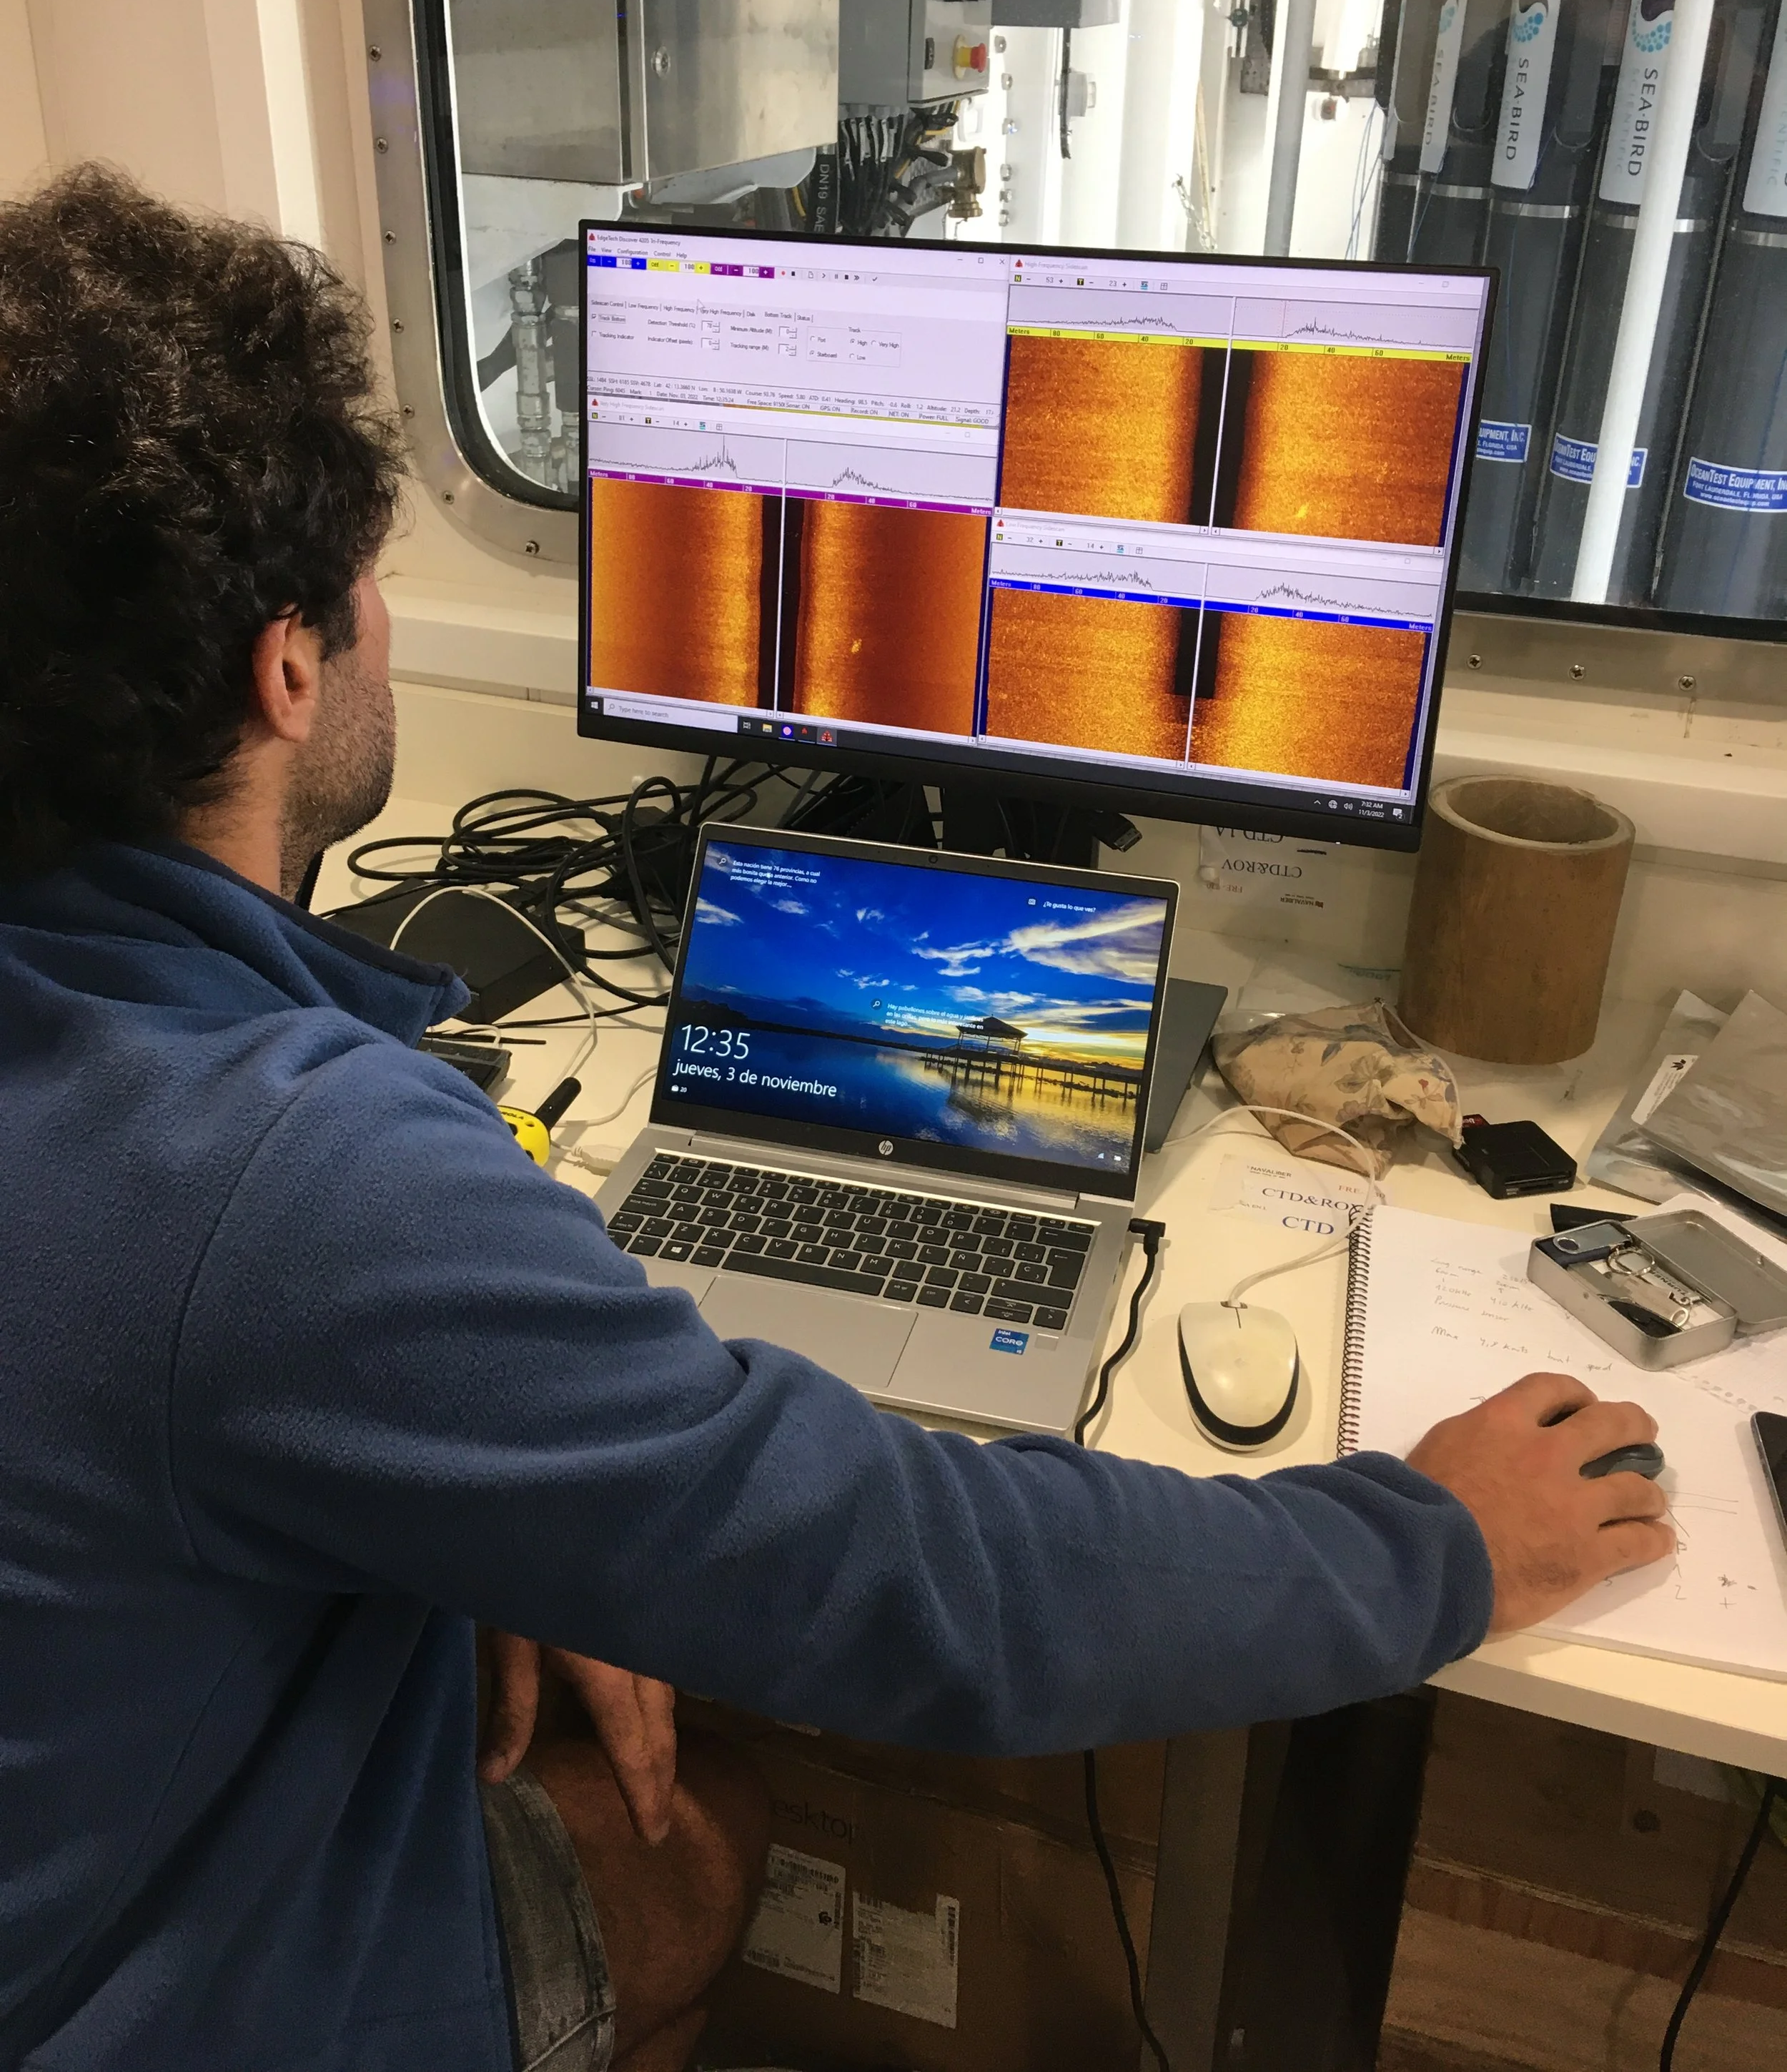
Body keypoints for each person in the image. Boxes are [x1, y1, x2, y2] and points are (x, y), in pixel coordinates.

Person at [0, 167, 1673, 2072]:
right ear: (286, 666)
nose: (389, 611)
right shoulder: (287, 1181)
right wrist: (1431, 1541)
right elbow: (911, 1579)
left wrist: (473, 1515)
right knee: (693, 1847)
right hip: (150, 1999)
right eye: (368, 573)